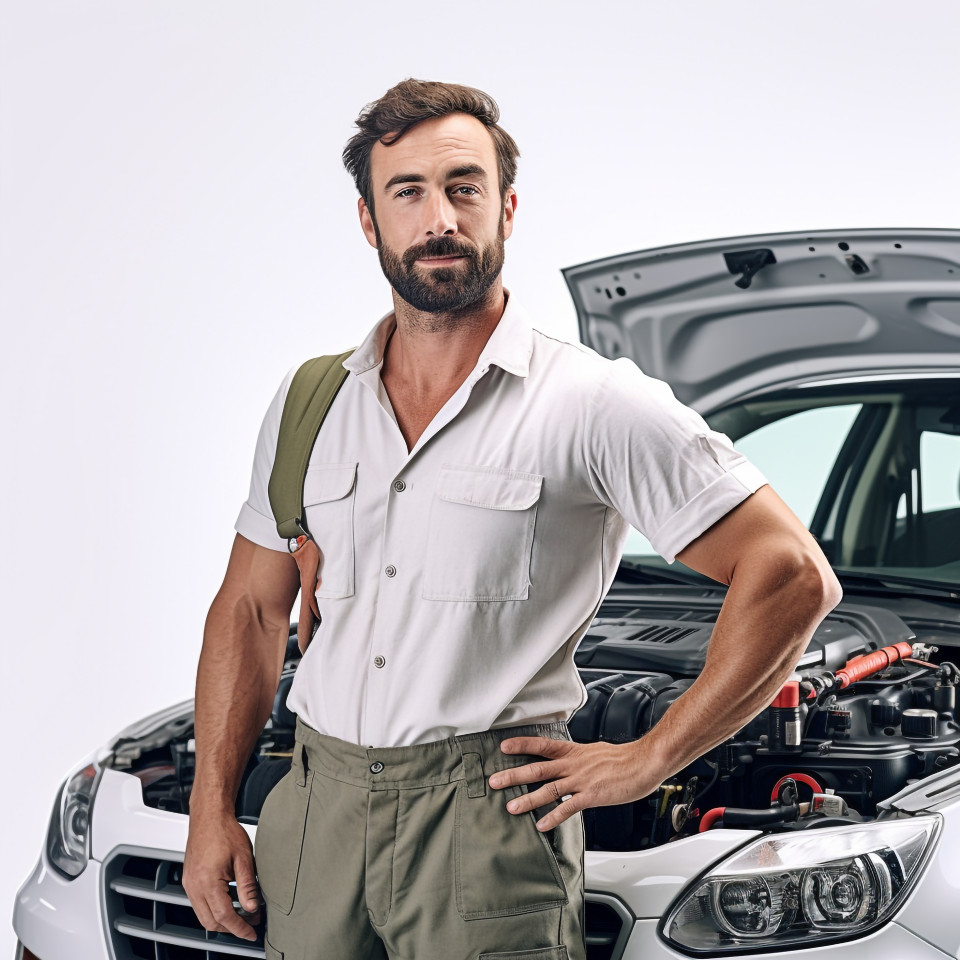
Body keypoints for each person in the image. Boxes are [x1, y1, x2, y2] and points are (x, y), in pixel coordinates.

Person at [182, 79, 842, 960]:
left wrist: (650, 758)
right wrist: (209, 807)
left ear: (507, 208)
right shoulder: (311, 401)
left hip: (485, 822)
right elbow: (251, 611)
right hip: (315, 808)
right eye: (407, 192)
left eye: (465, 187)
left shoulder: (589, 403)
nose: (440, 218)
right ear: (370, 223)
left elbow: (791, 572)